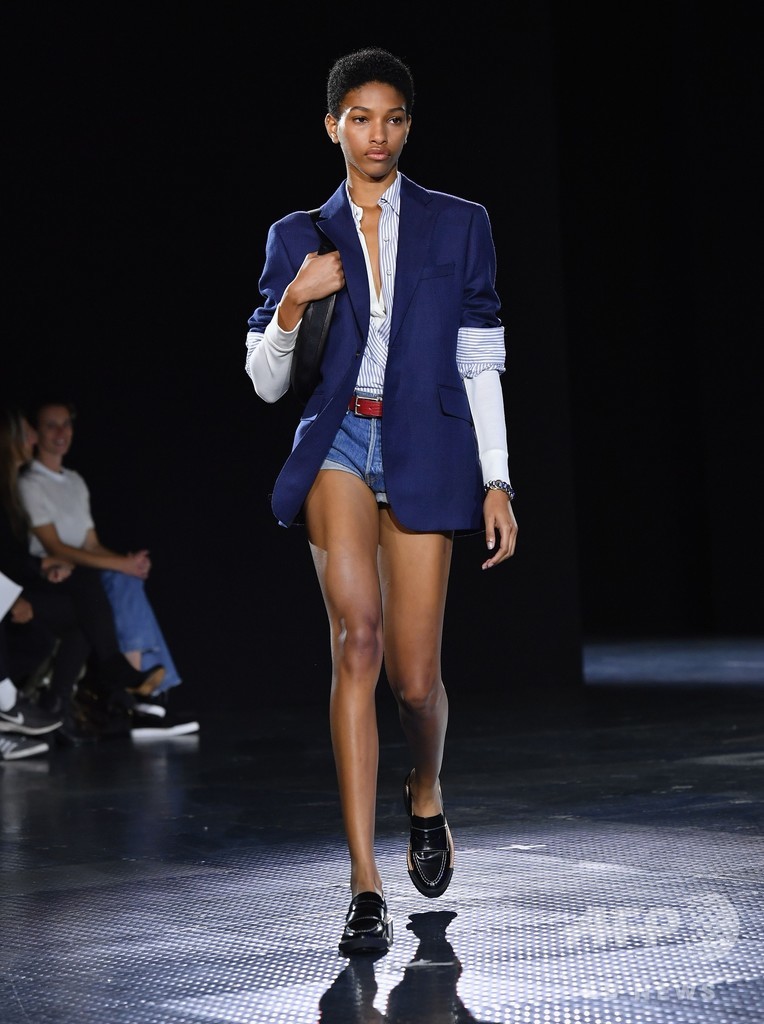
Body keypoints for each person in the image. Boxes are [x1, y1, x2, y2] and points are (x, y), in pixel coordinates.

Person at [245, 48, 518, 955]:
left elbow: (480, 354)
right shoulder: (298, 235)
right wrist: (293, 303)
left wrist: (498, 476)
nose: (377, 134)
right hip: (339, 444)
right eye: (359, 118)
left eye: (392, 118)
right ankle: (365, 884)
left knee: (413, 679)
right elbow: (265, 384)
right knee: (354, 641)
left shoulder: (459, 222)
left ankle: (425, 788)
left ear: (407, 126)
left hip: (428, 447)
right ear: (333, 126)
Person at [18, 400, 198, 738]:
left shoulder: (74, 481)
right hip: (52, 575)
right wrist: (120, 564)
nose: (61, 432)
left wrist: (127, 564)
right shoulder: (30, 482)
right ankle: (136, 695)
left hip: (80, 572)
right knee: (106, 578)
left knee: (126, 580)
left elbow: (90, 543)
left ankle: (137, 695)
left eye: (66, 424)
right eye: (51, 425)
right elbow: (56, 547)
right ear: (36, 433)